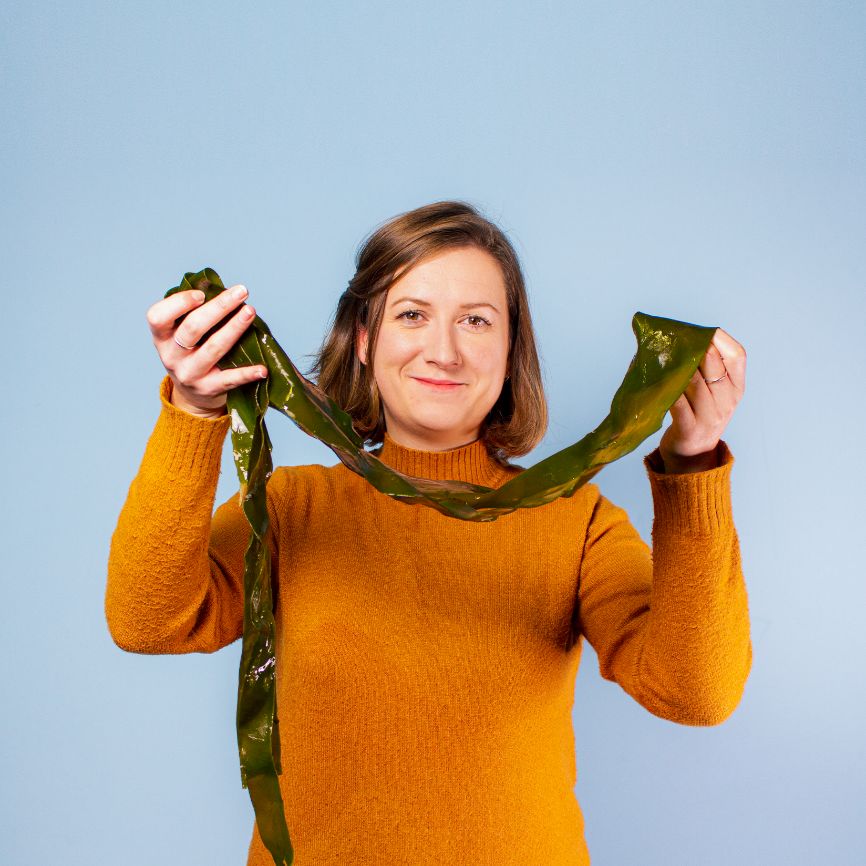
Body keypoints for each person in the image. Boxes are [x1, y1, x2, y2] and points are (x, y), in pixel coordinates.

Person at [106, 200, 752, 866]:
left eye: (476, 321)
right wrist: (193, 410)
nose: (443, 351)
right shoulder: (293, 510)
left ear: (509, 350)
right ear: (364, 340)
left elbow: (695, 691)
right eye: (412, 314)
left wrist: (694, 460)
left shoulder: (576, 522)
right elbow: (149, 621)